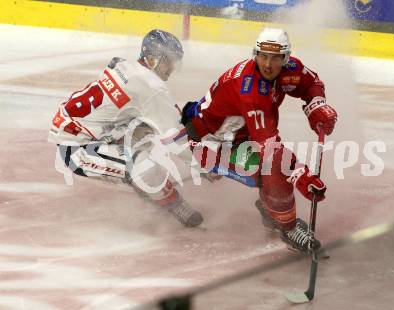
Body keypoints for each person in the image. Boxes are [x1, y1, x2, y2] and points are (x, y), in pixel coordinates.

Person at [181, 28, 337, 252]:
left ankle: (270, 208)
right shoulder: (250, 90)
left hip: (240, 137)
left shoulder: (290, 69)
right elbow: (269, 149)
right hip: (211, 145)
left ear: (286, 58)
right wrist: (300, 173)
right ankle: (287, 226)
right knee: (275, 168)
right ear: (255, 54)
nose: (267, 63)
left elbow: (310, 83)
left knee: (274, 167)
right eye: (263, 55)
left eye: (275, 58)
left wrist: (316, 105)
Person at [48, 29, 203, 228]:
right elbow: (174, 137)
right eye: (168, 60)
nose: (171, 67)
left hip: (90, 132)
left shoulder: (127, 67)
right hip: (76, 150)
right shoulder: (150, 86)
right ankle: (174, 205)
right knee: (145, 166)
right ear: (153, 58)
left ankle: (148, 187)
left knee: (147, 130)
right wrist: (201, 164)